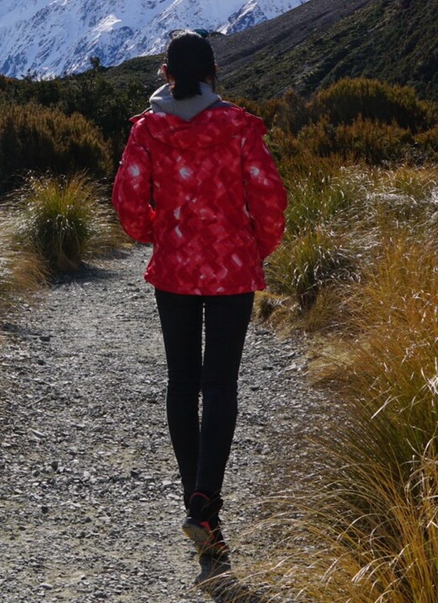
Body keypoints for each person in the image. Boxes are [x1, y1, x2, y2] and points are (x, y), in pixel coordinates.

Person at [111, 29, 286, 568]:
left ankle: (198, 503)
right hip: (232, 270)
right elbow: (271, 198)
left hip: (175, 271)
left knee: (183, 384)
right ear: (213, 74)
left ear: (166, 73)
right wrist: (254, 247)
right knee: (220, 384)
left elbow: (126, 201)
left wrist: (158, 234)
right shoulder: (239, 127)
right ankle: (205, 502)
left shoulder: (148, 131)